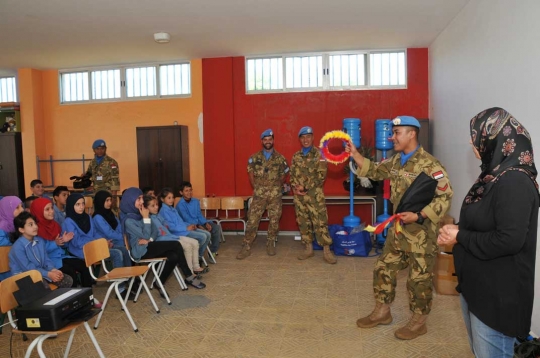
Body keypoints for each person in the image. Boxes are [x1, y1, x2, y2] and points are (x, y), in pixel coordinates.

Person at [438, 108, 538, 358]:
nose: (472, 143)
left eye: (476, 137)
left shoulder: (514, 181)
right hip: (479, 288)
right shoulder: (493, 177)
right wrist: (459, 228)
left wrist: (459, 237)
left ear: (495, 140)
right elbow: (488, 222)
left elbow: (508, 240)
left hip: (498, 298)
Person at [347, 115, 453, 340]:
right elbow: (374, 170)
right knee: (383, 268)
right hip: (398, 232)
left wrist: (419, 215)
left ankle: (419, 322)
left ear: (412, 134)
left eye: (396, 133)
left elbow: (445, 197)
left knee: (418, 280)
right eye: (393, 132)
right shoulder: (396, 161)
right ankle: (382, 312)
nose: (391, 136)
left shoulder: (430, 165)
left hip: (421, 235)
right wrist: (355, 154)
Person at [120, 187, 205, 291]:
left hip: (149, 244)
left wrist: (150, 239)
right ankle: (188, 276)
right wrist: (146, 219)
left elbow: (155, 231)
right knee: (176, 244)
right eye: (138, 199)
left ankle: (159, 282)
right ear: (130, 201)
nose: (142, 201)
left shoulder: (140, 214)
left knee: (173, 256)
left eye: (142, 198)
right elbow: (145, 235)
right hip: (140, 250)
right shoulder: (129, 220)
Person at [236, 129, 289, 259]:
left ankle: (271, 242)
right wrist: (257, 187)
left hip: (274, 195)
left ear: (273, 141)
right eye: (265, 140)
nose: (267, 142)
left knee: (274, 220)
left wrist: (275, 185)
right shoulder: (254, 158)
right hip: (259, 195)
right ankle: (247, 245)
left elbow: (285, 174)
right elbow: (250, 174)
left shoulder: (280, 158)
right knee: (252, 220)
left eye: (270, 139)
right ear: (262, 141)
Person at [290, 126, 337, 264]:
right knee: (303, 222)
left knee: (320, 222)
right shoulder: (296, 156)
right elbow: (292, 175)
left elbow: (321, 176)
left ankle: (327, 252)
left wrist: (305, 186)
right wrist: (295, 188)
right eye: (303, 137)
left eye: (308, 137)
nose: (306, 140)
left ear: (313, 138)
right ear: (300, 139)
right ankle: (308, 249)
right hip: (300, 197)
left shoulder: (320, 155)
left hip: (314, 196)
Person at [30, 197, 95, 287]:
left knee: (84, 266)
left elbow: (64, 246)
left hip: (60, 256)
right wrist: (55, 243)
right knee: (70, 272)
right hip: (47, 261)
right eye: (47, 209)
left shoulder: (54, 225)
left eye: (52, 208)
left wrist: (64, 241)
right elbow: (39, 251)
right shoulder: (35, 229)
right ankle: (74, 299)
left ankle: (88, 296)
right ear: (38, 211)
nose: (51, 211)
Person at [62, 194, 126, 272]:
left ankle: (128, 278)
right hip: (82, 251)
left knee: (123, 249)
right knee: (117, 254)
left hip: (95, 247)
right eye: (78, 204)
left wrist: (104, 241)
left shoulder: (87, 217)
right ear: (71, 205)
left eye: (83, 203)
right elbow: (77, 242)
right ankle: (120, 283)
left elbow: (95, 233)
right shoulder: (68, 221)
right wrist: (98, 243)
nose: (81, 207)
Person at [144, 195, 206, 274]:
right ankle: (190, 272)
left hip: (170, 236)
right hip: (163, 240)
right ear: (146, 208)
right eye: (153, 206)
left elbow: (166, 225)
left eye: (156, 205)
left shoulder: (158, 215)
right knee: (187, 246)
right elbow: (157, 234)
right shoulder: (147, 219)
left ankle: (196, 267)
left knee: (195, 242)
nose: (156, 207)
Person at [9, 212, 73, 288]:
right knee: (44, 288)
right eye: (31, 225)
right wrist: (48, 274)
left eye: (35, 223)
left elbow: (46, 259)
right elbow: (28, 268)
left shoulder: (39, 240)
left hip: (40, 273)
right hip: (25, 277)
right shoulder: (17, 247)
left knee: (67, 280)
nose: (35, 227)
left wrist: (53, 270)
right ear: (21, 229)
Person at [159, 188, 210, 262]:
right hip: (178, 233)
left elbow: (181, 221)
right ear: (162, 199)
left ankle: (198, 256)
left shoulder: (172, 209)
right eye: (169, 198)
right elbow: (171, 227)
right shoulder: (164, 211)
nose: (171, 200)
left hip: (184, 229)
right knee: (203, 237)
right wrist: (186, 228)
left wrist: (191, 225)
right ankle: (193, 257)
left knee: (207, 234)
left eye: (172, 198)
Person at [177, 181, 221, 257]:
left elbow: (199, 214)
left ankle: (212, 251)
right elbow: (187, 219)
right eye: (186, 191)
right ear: (181, 193)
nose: (189, 192)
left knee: (216, 228)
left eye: (190, 190)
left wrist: (205, 223)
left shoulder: (195, 201)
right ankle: (199, 256)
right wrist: (198, 226)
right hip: (190, 226)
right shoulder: (180, 205)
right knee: (204, 234)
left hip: (200, 223)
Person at [93, 190, 131, 267]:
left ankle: (129, 275)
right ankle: (121, 276)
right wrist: (123, 238)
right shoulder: (97, 217)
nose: (110, 203)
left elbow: (119, 226)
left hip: (114, 240)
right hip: (106, 243)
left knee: (126, 247)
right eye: (107, 200)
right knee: (125, 246)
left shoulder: (110, 213)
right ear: (101, 201)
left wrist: (123, 236)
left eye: (110, 200)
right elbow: (109, 233)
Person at [0, 196, 24, 280]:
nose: (21, 210)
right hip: (6, 266)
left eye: (22, 206)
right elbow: (3, 244)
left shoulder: (16, 223)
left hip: (18, 261)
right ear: (7, 209)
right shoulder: (2, 226)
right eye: (17, 207)